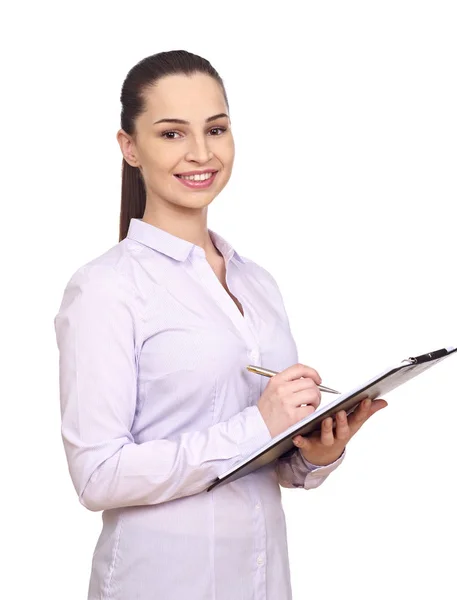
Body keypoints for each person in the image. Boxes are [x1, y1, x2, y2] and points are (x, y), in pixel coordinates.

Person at [54, 49, 387, 600]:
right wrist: (257, 423)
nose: (201, 153)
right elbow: (96, 475)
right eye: (171, 134)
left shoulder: (258, 283)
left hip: (261, 580)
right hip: (159, 583)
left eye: (216, 128)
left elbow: (268, 464)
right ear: (129, 147)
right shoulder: (105, 289)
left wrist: (311, 453)